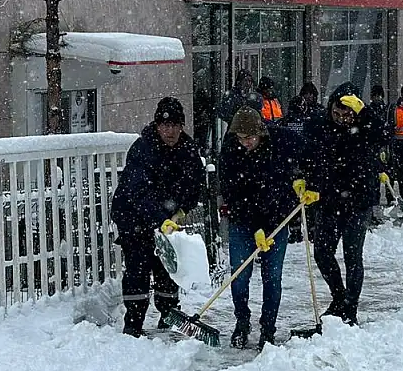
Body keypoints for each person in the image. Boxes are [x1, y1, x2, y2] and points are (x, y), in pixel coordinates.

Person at [111, 97, 206, 337]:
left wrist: (181, 209)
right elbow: (137, 191)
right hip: (134, 218)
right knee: (138, 269)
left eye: (175, 125)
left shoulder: (188, 150)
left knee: (167, 267)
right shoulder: (143, 149)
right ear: (156, 125)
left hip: (167, 219)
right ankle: (133, 322)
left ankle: (169, 314)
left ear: (182, 126)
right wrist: (158, 218)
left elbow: (194, 186)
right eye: (165, 125)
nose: (170, 131)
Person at [300, 83, 386, 326]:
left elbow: (384, 135)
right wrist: (302, 178)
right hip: (328, 200)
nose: (341, 119)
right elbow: (306, 155)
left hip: (358, 201)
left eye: (347, 115)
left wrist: (364, 112)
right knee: (322, 253)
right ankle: (339, 296)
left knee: (352, 255)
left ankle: (351, 307)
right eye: (336, 114)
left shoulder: (366, 127)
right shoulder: (319, 125)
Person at [218, 108, 301, 349]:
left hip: (276, 222)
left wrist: (302, 180)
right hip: (243, 224)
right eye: (242, 138)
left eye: (251, 137)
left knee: (272, 277)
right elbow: (234, 193)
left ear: (261, 133)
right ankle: (242, 321)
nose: (247, 143)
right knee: (239, 275)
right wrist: (254, 227)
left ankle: (268, 328)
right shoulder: (231, 152)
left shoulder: (279, 144)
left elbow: (278, 189)